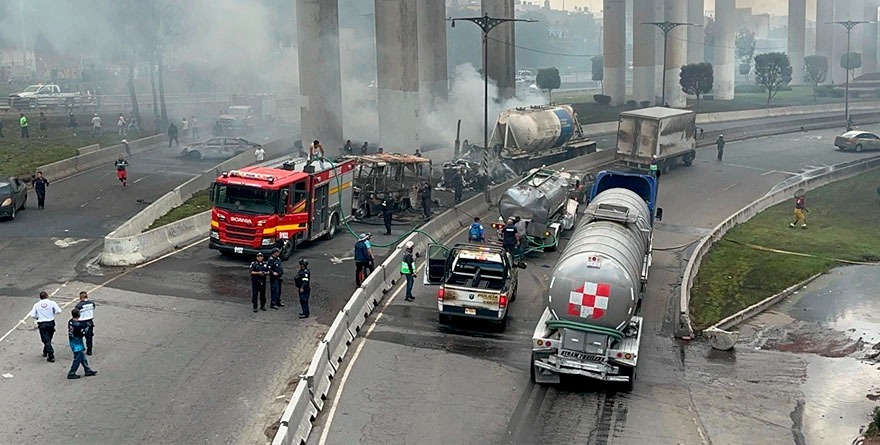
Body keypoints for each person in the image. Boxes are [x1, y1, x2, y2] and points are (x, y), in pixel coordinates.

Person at [30, 291, 62, 362]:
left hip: (42, 323)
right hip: (51, 323)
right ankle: (45, 351)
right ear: (47, 296)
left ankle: (51, 354)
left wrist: (38, 317)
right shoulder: (52, 303)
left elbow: (32, 315)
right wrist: (53, 313)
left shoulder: (37, 305)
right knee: (49, 339)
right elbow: (59, 311)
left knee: (46, 340)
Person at [67, 308, 97, 380]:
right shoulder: (78, 325)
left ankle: (87, 369)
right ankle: (72, 372)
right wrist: (87, 327)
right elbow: (83, 333)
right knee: (77, 358)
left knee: (82, 357)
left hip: (72, 341)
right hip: (77, 343)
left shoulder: (70, 322)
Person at [74, 291, 96, 356]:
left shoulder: (79, 305)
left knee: (78, 336)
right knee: (89, 336)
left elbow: (76, 313)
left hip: (81, 323)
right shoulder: (92, 303)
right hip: (89, 322)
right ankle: (89, 350)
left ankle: (81, 347)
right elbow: (93, 308)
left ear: (80, 297)